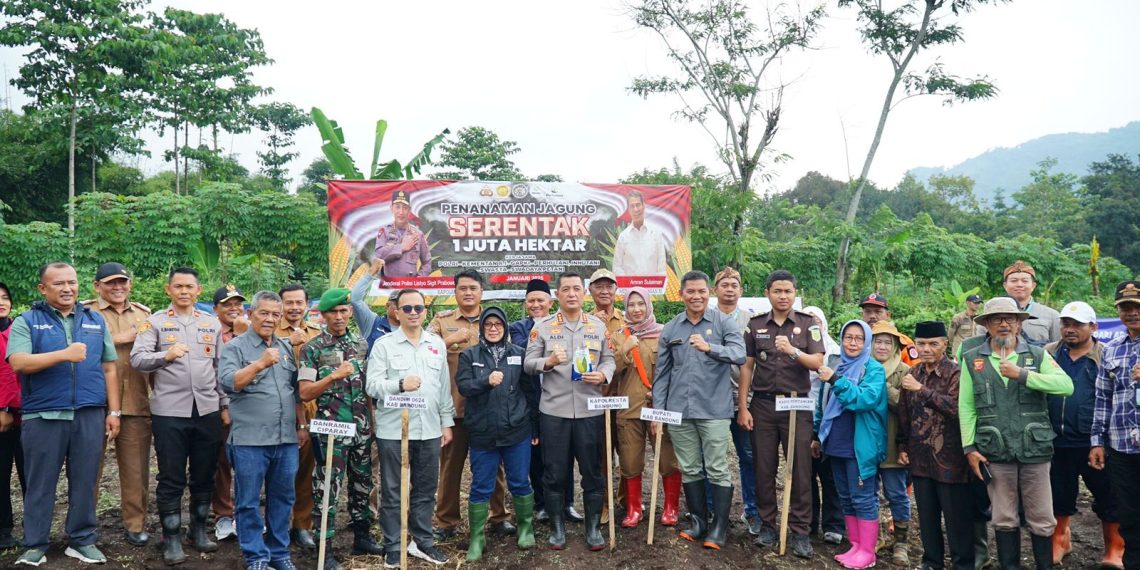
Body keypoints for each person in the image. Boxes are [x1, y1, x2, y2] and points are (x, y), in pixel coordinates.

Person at [7, 262, 121, 566]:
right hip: (43, 416)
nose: (67, 288)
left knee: (85, 481)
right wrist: (64, 354)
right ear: (43, 288)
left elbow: (109, 366)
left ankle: (82, 540)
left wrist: (114, 411)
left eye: (71, 282)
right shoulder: (27, 321)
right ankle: (35, 544)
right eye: (59, 283)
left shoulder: (95, 320)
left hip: (88, 413)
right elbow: (18, 361)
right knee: (39, 483)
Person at [959, 297, 1073, 570]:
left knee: (1042, 516)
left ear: (1020, 324)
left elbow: (1066, 386)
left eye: (1010, 318)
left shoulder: (1037, 355)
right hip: (994, 449)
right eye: (996, 319)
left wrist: (1023, 375)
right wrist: (969, 448)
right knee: (1003, 516)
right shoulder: (972, 358)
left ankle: (1044, 566)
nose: (1003, 324)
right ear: (986, 325)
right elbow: (966, 406)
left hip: (1034, 448)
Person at [130, 267, 227, 564]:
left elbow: (220, 368)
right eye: (178, 287)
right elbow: (137, 359)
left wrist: (224, 405)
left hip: (207, 409)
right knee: (171, 477)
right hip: (170, 412)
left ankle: (198, 530)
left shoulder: (211, 323)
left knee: (204, 473)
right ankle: (171, 537)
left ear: (198, 290)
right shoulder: (155, 323)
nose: (184, 291)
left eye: (190, 287)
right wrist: (165, 356)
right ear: (167, 290)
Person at [523, 272, 616, 551]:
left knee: (592, 471)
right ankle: (557, 529)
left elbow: (610, 359)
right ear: (557, 295)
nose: (572, 294)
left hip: (590, 412)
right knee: (554, 473)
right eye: (566, 289)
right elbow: (527, 363)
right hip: (554, 412)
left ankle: (592, 530)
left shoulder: (598, 327)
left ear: (584, 293)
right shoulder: (543, 327)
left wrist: (603, 374)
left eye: (577, 288)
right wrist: (547, 362)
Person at [653, 271, 746, 550]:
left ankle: (719, 527)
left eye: (702, 291)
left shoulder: (724, 322)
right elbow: (662, 374)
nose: (696, 296)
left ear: (710, 293)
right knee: (690, 467)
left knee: (717, 468)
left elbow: (739, 355)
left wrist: (710, 348)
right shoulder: (671, 328)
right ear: (681, 294)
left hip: (714, 409)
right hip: (679, 410)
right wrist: (659, 413)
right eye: (690, 291)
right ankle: (698, 522)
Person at [738, 269, 825, 558]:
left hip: (796, 405)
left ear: (794, 293)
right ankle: (767, 525)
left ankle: (800, 532)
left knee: (799, 469)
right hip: (762, 405)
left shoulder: (808, 323)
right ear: (768, 293)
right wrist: (743, 407)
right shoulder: (754, 325)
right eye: (778, 291)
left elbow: (816, 362)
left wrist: (791, 351)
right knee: (763, 467)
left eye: (788, 291)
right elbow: (747, 367)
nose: (783, 296)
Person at [219, 291, 307, 570]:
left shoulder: (284, 347)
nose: (270, 319)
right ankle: (256, 556)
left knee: (283, 499)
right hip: (250, 440)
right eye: (264, 313)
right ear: (250, 313)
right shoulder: (236, 347)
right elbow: (229, 383)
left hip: (285, 439)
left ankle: (279, 553)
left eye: (275, 314)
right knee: (247, 501)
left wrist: (301, 425)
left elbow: (295, 392)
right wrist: (259, 364)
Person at [366, 288, 454, 567]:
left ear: (425, 311)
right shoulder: (384, 345)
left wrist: (446, 422)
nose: (413, 313)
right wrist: (400, 384)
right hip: (394, 430)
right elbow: (372, 386)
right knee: (393, 489)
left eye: (418, 307)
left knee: (426, 488)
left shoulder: (436, 343)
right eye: (407, 308)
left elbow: (442, 389)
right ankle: (393, 544)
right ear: (396, 311)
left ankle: (422, 541)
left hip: (429, 429)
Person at [298, 288, 384, 570]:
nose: (339, 316)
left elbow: (367, 388)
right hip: (331, 431)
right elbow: (305, 392)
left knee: (362, 484)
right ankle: (326, 548)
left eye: (343, 311)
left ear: (349, 312)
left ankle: (362, 537)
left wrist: (370, 422)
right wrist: (333, 376)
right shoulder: (312, 349)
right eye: (333, 312)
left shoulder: (360, 343)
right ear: (323, 315)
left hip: (360, 428)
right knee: (328, 488)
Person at [429, 270, 513, 540]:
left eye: (473, 288)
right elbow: (423, 354)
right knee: (451, 469)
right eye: (462, 288)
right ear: (454, 292)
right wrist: (448, 343)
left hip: (490, 411)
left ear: (481, 292)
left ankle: (498, 517)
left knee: (493, 468)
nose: (467, 292)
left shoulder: (494, 322)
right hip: (454, 411)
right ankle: (446, 522)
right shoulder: (442, 323)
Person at [456, 306, 539, 561]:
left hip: (517, 431)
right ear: (482, 328)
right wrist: (485, 381)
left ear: (505, 327)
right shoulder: (469, 355)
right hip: (483, 433)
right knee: (481, 486)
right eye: (488, 324)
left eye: (498, 324)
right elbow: (464, 386)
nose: (493, 328)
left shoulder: (518, 353)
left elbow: (530, 391)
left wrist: (534, 426)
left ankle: (525, 527)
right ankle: (477, 538)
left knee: (519, 481)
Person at [1045, 301, 1122, 568]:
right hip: (1056, 440)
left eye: (1077, 324)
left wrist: (1103, 439)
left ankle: (1114, 548)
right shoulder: (1049, 353)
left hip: (1095, 442)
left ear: (1093, 327)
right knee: (1058, 494)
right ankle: (1061, 540)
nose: (1070, 329)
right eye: (1066, 324)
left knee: (1108, 495)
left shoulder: (1106, 354)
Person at [82, 262, 153, 548]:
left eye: (122, 282)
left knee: (136, 470)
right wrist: (120, 338)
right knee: (88, 469)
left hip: (136, 400)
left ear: (129, 285)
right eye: (110, 282)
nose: (117, 287)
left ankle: (135, 525)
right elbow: (80, 346)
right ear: (97, 286)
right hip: (94, 402)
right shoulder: (84, 312)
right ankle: (84, 526)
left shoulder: (144, 314)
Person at [897, 321, 975, 570]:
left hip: (950, 458)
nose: (927, 348)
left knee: (956, 519)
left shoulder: (956, 373)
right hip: (920, 457)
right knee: (927, 517)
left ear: (944, 344)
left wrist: (923, 391)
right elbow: (904, 414)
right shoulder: (912, 373)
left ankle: (963, 564)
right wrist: (902, 446)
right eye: (921, 343)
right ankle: (931, 562)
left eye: (933, 343)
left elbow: (958, 410)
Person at [814, 320, 887, 570]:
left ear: (866, 341)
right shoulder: (838, 365)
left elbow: (864, 399)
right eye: (848, 337)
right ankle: (855, 545)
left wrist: (836, 380)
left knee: (863, 498)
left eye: (858, 338)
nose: (853, 343)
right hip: (836, 443)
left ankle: (868, 551)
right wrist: (817, 434)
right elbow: (822, 405)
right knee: (846, 497)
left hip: (860, 445)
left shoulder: (873, 370)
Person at [611, 287, 680, 528]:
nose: (636, 309)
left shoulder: (665, 334)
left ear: (648, 305)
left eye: (641, 304)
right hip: (629, 408)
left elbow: (674, 370)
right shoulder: (619, 335)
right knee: (630, 460)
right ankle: (634, 509)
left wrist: (663, 394)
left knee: (669, 458)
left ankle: (671, 508)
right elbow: (611, 371)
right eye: (631, 305)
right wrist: (625, 348)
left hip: (660, 407)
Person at [508, 278, 570, 523]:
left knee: (563, 453)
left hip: (561, 396)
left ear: (550, 302)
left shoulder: (564, 323)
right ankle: (542, 503)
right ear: (526, 303)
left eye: (540, 300)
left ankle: (568, 503)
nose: (536, 305)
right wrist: (551, 350)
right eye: (531, 301)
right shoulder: (518, 328)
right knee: (537, 453)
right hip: (533, 400)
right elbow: (524, 353)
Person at [1090, 280, 1140, 570]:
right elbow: (1102, 399)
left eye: (1136, 306)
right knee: (1130, 515)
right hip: (1121, 447)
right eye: (1125, 307)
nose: (1132, 313)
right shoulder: (1111, 350)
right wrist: (1097, 441)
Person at [712, 267, 762, 536]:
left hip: (745, 399)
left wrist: (745, 404)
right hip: (712, 401)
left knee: (749, 456)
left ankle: (752, 510)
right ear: (715, 289)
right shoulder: (706, 319)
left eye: (735, 284)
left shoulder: (752, 322)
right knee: (713, 456)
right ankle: (711, 508)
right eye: (724, 284)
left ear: (741, 290)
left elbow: (753, 364)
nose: (730, 289)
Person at [275, 284, 323, 551]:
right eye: (288, 302)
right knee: (279, 471)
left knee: (306, 470)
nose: (294, 307)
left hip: (312, 408)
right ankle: (277, 523)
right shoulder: (270, 329)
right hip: (278, 410)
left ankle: (302, 524)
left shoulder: (317, 332)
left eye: (298, 302)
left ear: (307, 305)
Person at [868, 320, 912, 566]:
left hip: (894, 442)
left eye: (888, 342)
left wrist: (880, 388)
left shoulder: (904, 371)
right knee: (868, 492)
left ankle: (902, 542)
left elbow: (906, 406)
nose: (882, 347)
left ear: (895, 346)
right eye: (878, 341)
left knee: (896, 493)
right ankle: (873, 537)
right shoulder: (861, 367)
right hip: (867, 442)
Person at [803, 306, 844, 546]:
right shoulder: (796, 349)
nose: (813, 326)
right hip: (802, 416)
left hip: (831, 421)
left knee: (830, 475)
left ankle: (834, 524)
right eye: (808, 321)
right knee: (805, 474)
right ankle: (808, 522)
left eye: (817, 321)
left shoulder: (836, 353)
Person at [211, 284, 248, 541]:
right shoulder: (210, 331)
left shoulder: (252, 331)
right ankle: (223, 515)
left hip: (250, 410)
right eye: (227, 304)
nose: (233, 308)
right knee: (221, 464)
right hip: (218, 407)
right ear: (216, 309)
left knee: (250, 464)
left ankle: (247, 516)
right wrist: (224, 405)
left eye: (238, 303)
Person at [588, 267, 624, 523]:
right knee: (600, 456)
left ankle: (624, 502)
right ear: (590, 291)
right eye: (599, 286)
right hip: (595, 399)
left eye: (609, 286)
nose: (604, 291)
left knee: (628, 453)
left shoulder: (627, 319)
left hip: (623, 397)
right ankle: (603, 504)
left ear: (615, 290)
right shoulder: (583, 320)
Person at [0, 282, 25, 550]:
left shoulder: (19, 329)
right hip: (2, 417)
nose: (1, 302)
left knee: (31, 473)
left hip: (26, 414)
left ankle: (35, 526)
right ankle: (4, 529)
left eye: (5, 297)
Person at [373, 189, 431, 277]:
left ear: (409, 210)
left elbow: (427, 261)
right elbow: (378, 256)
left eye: (405, 207)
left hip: (410, 286)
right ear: (391, 208)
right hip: (389, 286)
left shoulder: (418, 234)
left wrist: (419, 279)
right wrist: (401, 247)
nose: (401, 212)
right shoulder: (385, 231)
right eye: (397, 207)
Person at [1001, 260, 1060, 346]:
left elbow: (1058, 348)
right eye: (1014, 281)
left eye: (1025, 281)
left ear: (1033, 286)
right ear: (1005, 285)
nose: (1019, 285)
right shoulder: (992, 314)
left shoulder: (1052, 315)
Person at [611, 190, 669, 276]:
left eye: (638, 205)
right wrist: (628, 283)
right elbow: (617, 267)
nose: (636, 209)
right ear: (628, 210)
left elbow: (661, 267)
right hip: (630, 288)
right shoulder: (623, 236)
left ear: (643, 206)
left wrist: (655, 285)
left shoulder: (656, 233)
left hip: (652, 287)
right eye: (632, 206)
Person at [859, 292, 919, 366]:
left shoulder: (903, 341)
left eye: (878, 312)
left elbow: (914, 370)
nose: (872, 316)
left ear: (888, 315)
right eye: (867, 311)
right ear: (862, 314)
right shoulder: (855, 339)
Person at [350, 260, 396, 354]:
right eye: (398, 304)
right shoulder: (373, 323)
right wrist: (371, 272)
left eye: (407, 306)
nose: (403, 309)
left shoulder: (413, 330)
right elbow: (355, 300)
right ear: (388, 305)